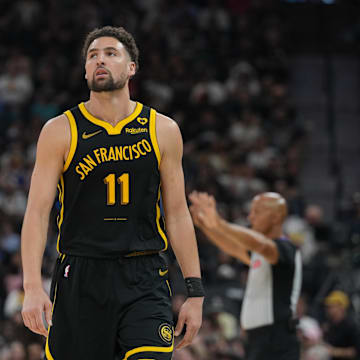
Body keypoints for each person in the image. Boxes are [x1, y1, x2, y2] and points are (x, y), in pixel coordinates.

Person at [21, 26, 204, 360]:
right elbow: (36, 212)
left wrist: (195, 292)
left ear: (131, 67)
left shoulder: (161, 129)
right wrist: (32, 287)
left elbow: (177, 213)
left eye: (110, 53)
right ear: (86, 71)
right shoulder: (60, 130)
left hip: (143, 275)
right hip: (81, 274)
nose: (99, 60)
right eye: (92, 56)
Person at [189, 191, 302, 360]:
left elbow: (261, 244)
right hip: (257, 340)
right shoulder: (260, 254)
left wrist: (220, 223)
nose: (250, 217)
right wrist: (207, 225)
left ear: (276, 217)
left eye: (256, 212)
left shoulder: (286, 249)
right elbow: (232, 247)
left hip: (277, 339)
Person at [322, 290, 360, 359]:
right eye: (328, 307)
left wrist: (335, 351)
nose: (328, 309)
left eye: (332, 306)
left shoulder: (351, 326)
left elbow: (356, 351)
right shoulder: (330, 324)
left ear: (341, 307)